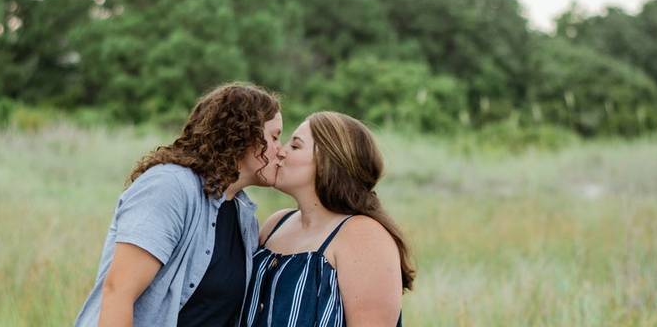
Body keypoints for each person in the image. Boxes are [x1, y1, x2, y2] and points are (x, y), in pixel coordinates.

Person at [74, 83, 284, 327]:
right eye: (275, 137)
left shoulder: (244, 215)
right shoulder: (170, 187)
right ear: (242, 134)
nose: (281, 151)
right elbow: (118, 292)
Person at [242, 111, 415, 327]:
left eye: (295, 146)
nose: (281, 152)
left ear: (328, 161)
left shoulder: (364, 235)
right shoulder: (276, 224)